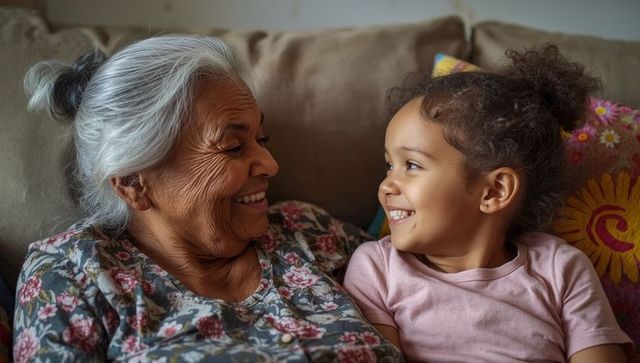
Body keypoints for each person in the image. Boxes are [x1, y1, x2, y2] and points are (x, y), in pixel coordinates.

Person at [13, 35, 402, 362]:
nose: (270, 163)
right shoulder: (74, 274)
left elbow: (437, 279)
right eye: (233, 147)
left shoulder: (306, 230)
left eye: (262, 140)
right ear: (133, 183)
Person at [343, 45, 633, 362]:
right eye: (389, 165)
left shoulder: (560, 268)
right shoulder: (377, 268)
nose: (386, 185)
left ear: (494, 191)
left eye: (411, 165)